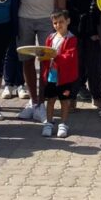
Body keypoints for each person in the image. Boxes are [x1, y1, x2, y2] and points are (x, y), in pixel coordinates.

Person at [15, 0, 65, 122]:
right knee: (26, 61)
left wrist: (61, 17)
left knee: (46, 62)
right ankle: (33, 101)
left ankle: (42, 103)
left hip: (46, 19)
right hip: (24, 18)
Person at [62, 0, 100, 103]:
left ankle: (97, 96)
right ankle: (72, 97)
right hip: (72, 25)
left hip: (92, 27)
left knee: (93, 64)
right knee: (74, 63)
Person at [40, 9, 80, 138]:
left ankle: (63, 124)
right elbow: (45, 54)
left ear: (68, 21)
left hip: (65, 77)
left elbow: (70, 56)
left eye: (61, 22)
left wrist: (55, 56)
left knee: (64, 101)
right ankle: (49, 123)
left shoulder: (71, 39)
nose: (58, 25)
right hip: (51, 75)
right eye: (55, 23)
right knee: (50, 100)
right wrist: (41, 56)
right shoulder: (50, 38)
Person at [0, 0, 30, 100]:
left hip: (24, 15)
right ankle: (8, 83)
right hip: (8, 15)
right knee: (10, 51)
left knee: (22, 51)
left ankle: (20, 83)